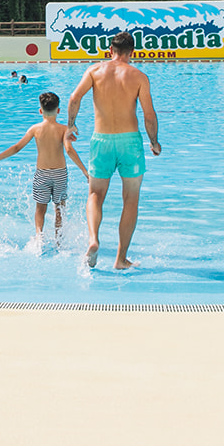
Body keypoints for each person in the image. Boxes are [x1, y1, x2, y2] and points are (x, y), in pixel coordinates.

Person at [67, 31, 160, 269]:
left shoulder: (94, 71)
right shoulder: (139, 76)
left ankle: (93, 239)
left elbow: (74, 98)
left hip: (102, 140)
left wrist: (70, 125)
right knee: (131, 199)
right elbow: (149, 115)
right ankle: (120, 259)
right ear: (132, 53)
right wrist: (154, 142)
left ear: (110, 51)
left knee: (95, 194)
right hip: (130, 143)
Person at [0, 91, 89, 246]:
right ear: (58, 110)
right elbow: (69, 150)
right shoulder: (64, 129)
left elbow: (17, 148)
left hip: (42, 174)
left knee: (40, 208)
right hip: (60, 173)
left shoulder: (35, 129)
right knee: (60, 208)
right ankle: (59, 241)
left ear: (40, 111)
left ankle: (39, 237)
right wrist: (85, 171)